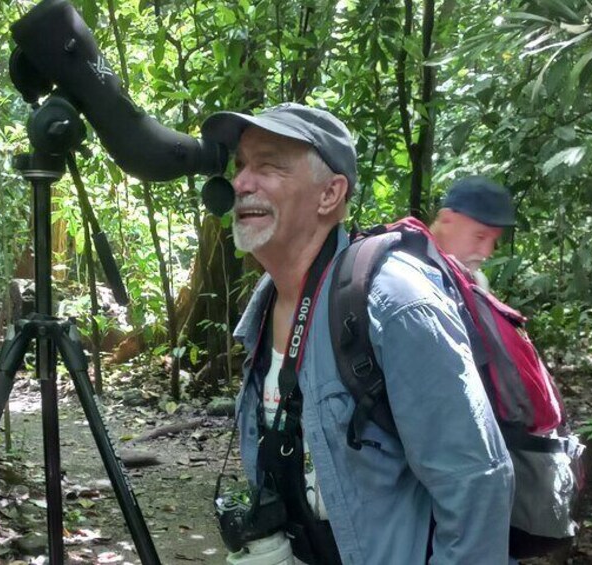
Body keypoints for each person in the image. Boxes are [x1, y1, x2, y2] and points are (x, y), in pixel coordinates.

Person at [201, 103, 514, 564]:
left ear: (330, 194)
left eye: (267, 165)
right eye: (241, 165)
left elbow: (477, 486)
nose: (242, 182)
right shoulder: (264, 308)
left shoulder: (395, 303)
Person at [430, 176, 516, 290]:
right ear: (446, 220)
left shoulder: (477, 284)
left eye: (494, 241)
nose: (486, 252)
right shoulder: (405, 272)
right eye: (479, 237)